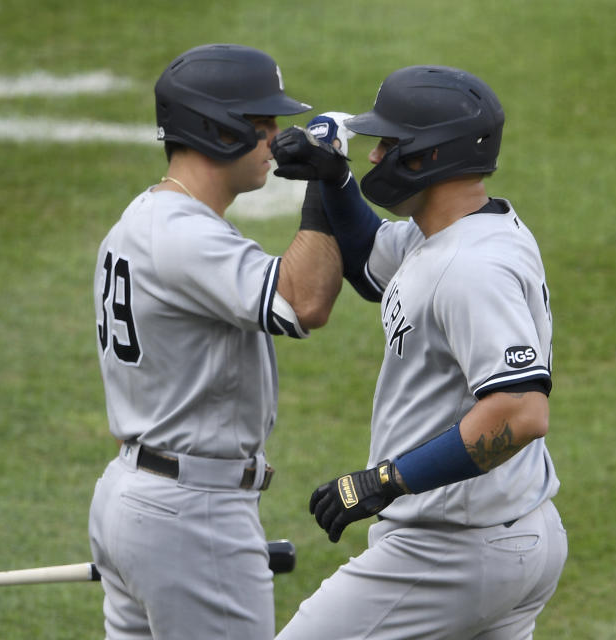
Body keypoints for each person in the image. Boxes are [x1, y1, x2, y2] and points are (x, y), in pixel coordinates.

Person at [270, 65, 568, 639]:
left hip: (449, 555)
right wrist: (334, 182)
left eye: (388, 143)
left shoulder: (471, 268)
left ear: (428, 155)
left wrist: (385, 481)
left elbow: (521, 412)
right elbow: (366, 265)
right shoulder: (450, 234)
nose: (376, 156)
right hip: (513, 535)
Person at [87, 44, 343, 640]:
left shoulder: (143, 220)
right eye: (263, 123)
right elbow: (303, 301)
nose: (277, 137)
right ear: (216, 128)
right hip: (191, 514)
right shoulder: (183, 235)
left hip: (138, 493)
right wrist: (325, 183)